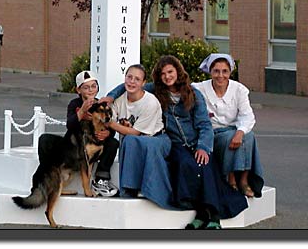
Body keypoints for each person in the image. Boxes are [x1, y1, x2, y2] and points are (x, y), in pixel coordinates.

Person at [106, 55, 248, 229]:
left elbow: (204, 124)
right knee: (186, 164)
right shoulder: (156, 91)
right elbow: (129, 85)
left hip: (196, 142)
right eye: (163, 73)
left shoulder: (193, 93)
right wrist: (111, 97)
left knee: (204, 165)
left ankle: (211, 217)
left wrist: (203, 147)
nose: (167, 76)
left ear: (178, 72)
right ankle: (200, 212)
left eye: (170, 72)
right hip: (175, 144)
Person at [193, 53, 264, 198]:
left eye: (224, 71)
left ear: (230, 72)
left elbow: (247, 115)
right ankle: (231, 178)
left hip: (234, 129)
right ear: (210, 71)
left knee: (248, 135)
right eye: (216, 71)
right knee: (230, 137)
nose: (220, 76)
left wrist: (240, 132)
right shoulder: (199, 89)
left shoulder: (239, 90)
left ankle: (243, 180)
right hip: (214, 133)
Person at [106, 64, 172, 207]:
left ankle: (137, 190)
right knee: (129, 141)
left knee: (130, 140)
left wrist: (110, 124)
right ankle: (128, 190)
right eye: (129, 77)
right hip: (134, 141)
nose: (132, 82)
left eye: (137, 79)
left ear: (143, 83)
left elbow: (136, 132)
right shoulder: (119, 100)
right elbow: (108, 116)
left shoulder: (150, 102)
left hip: (157, 138)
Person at [65, 70, 119, 197]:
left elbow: (108, 122)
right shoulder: (74, 104)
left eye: (94, 86)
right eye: (86, 87)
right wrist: (82, 111)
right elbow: (70, 125)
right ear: (78, 90)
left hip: (96, 145)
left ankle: (101, 177)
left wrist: (107, 133)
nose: (90, 90)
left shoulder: (101, 104)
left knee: (113, 143)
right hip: (78, 145)